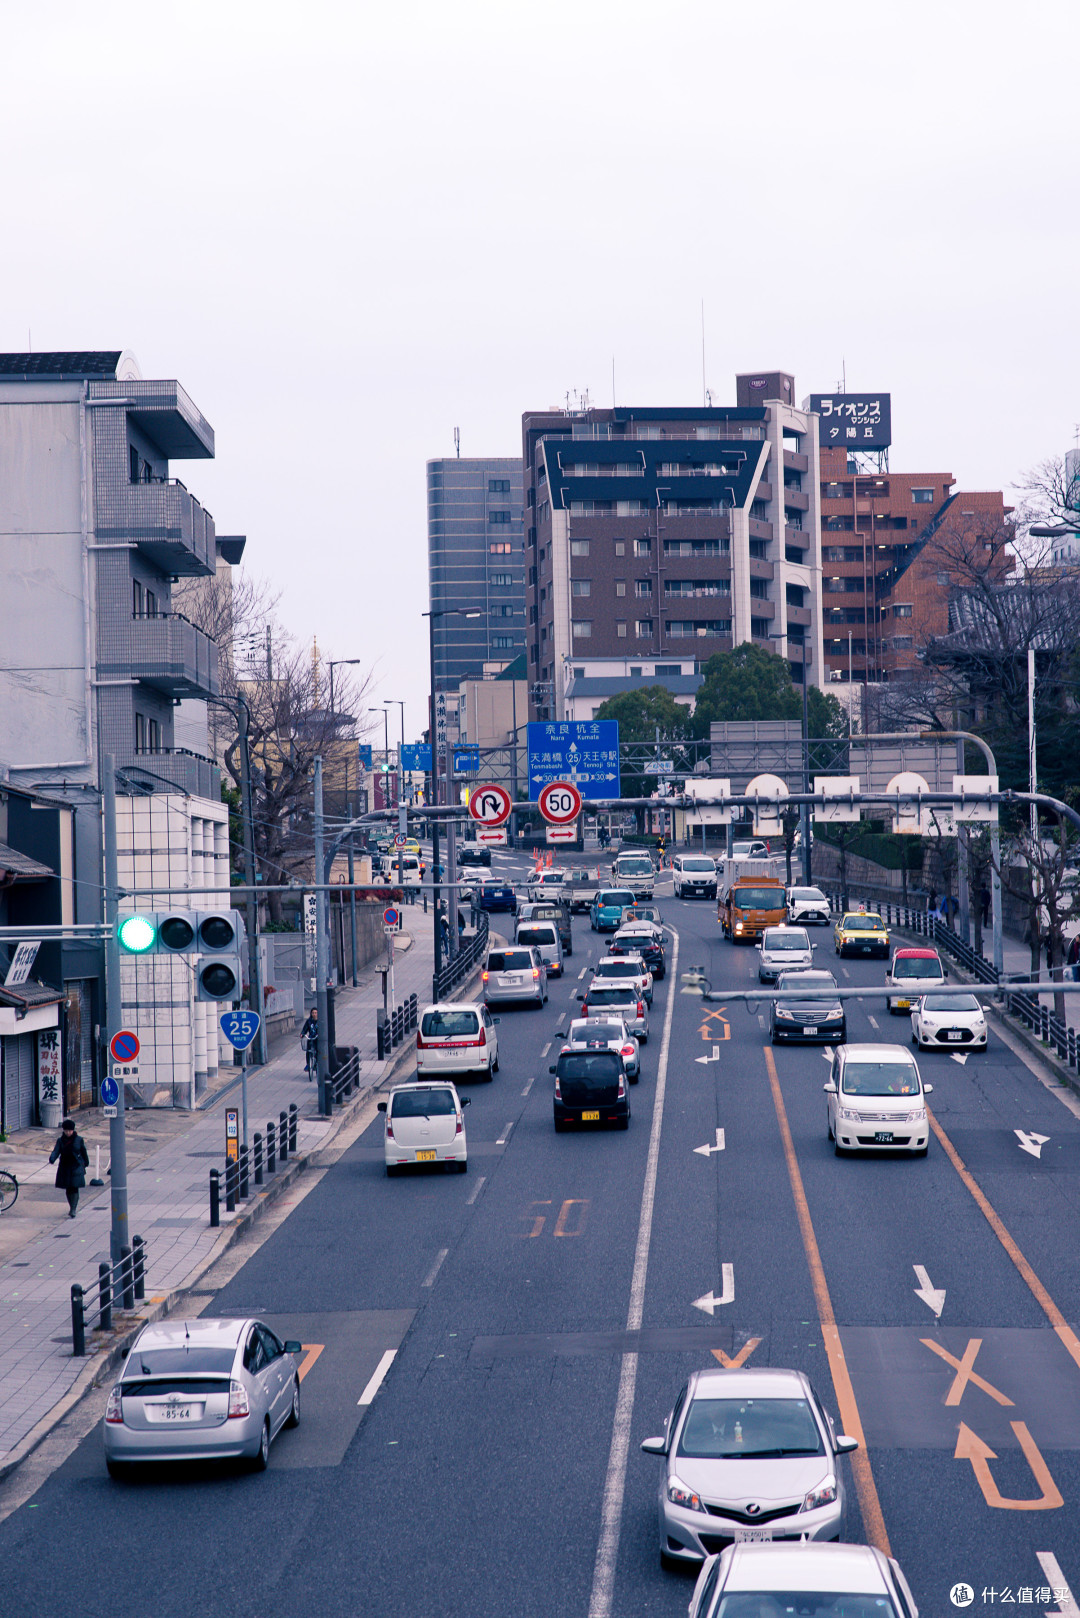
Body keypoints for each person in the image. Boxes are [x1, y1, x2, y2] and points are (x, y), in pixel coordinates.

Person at [50, 1118, 89, 1219]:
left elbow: (83, 1151)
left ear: (73, 1130)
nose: (68, 1133)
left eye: (69, 1131)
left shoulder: (78, 1140)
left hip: (76, 1166)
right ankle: (71, 1206)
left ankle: (73, 1209)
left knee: (74, 1186)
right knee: (68, 1187)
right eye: (66, 1131)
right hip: (65, 1166)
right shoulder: (60, 1141)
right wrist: (52, 1158)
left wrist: (86, 1162)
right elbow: (56, 1151)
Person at [300, 1007, 318, 1079]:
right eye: (313, 1013)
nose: (314, 1014)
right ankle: (308, 1064)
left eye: (315, 1013)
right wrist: (302, 1034)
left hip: (318, 1038)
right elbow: (305, 1028)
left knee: (318, 1051)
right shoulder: (309, 1021)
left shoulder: (320, 1021)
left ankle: (317, 1064)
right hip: (311, 1038)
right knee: (308, 1051)